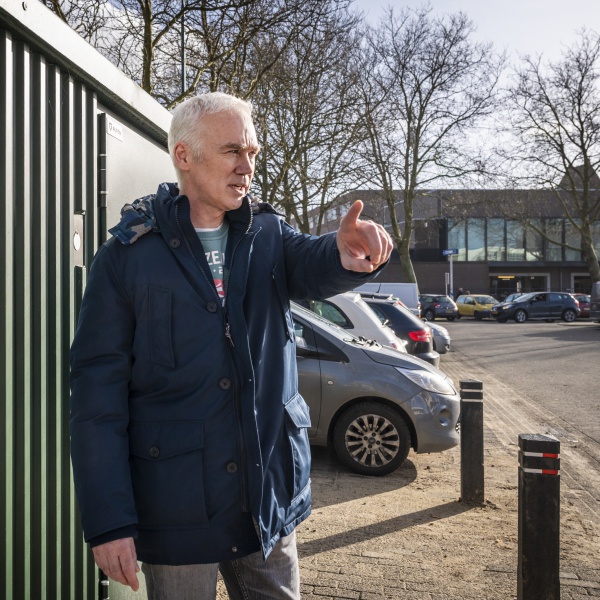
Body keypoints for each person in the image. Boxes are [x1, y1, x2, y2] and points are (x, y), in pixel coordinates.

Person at [69, 92, 392, 599]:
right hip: (176, 510)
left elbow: (315, 261)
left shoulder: (268, 233)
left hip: (265, 503)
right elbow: (96, 400)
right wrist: (109, 522)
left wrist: (349, 252)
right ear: (184, 156)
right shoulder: (127, 256)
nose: (247, 167)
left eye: (253, 153)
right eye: (231, 152)